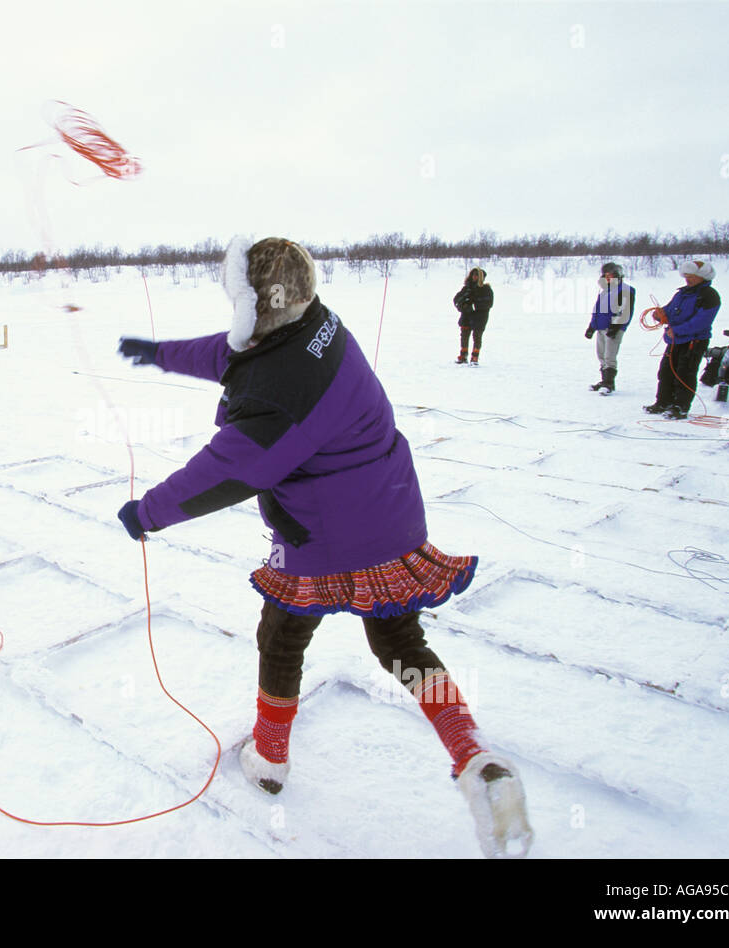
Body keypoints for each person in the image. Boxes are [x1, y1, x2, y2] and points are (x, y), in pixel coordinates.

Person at [115, 236, 533, 858]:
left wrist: (147, 512)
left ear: (257, 302)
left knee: (282, 633)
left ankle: (271, 759)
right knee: (401, 642)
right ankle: (476, 757)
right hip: (390, 516)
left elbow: (226, 471)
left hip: (325, 535)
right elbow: (239, 352)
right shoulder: (317, 324)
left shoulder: (279, 398)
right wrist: (161, 354)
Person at [643, 260, 721, 420]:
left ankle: (680, 407)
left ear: (702, 276)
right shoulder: (681, 293)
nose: (688, 279)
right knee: (666, 372)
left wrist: (677, 330)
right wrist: (660, 314)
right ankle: (663, 402)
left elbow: (702, 322)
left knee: (685, 373)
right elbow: (670, 311)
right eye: (686, 276)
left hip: (694, 341)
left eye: (691, 276)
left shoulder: (710, 296)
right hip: (674, 340)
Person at [584, 262, 635, 394]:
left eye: (610, 275)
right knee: (601, 355)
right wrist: (592, 327)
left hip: (613, 328)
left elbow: (625, 311)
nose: (608, 278)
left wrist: (616, 327)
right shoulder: (605, 292)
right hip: (601, 328)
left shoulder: (624, 290)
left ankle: (609, 383)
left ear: (617, 276)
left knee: (609, 356)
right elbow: (598, 311)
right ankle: (604, 380)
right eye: (605, 275)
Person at [453, 267, 493, 364]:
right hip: (466, 316)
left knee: (477, 336)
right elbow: (456, 299)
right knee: (464, 335)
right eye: (473, 275)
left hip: (480, 317)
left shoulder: (486, 289)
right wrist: (463, 306)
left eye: (476, 275)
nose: (474, 277)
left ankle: (475, 357)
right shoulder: (467, 288)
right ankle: (463, 355)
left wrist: (474, 306)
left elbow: (488, 303)